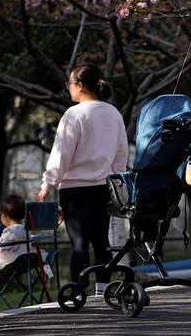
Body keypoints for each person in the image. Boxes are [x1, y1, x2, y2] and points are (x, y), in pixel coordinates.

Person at [38, 63, 128, 296]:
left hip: (74, 190)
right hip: (103, 187)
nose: (69, 88)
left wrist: (47, 184)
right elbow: (121, 151)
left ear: (79, 86)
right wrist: (115, 178)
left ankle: (78, 289)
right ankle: (103, 289)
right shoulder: (113, 113)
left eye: (70, 83)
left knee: (79, 243)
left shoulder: (74, 114)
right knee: (101, 241)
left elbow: (61, 154)